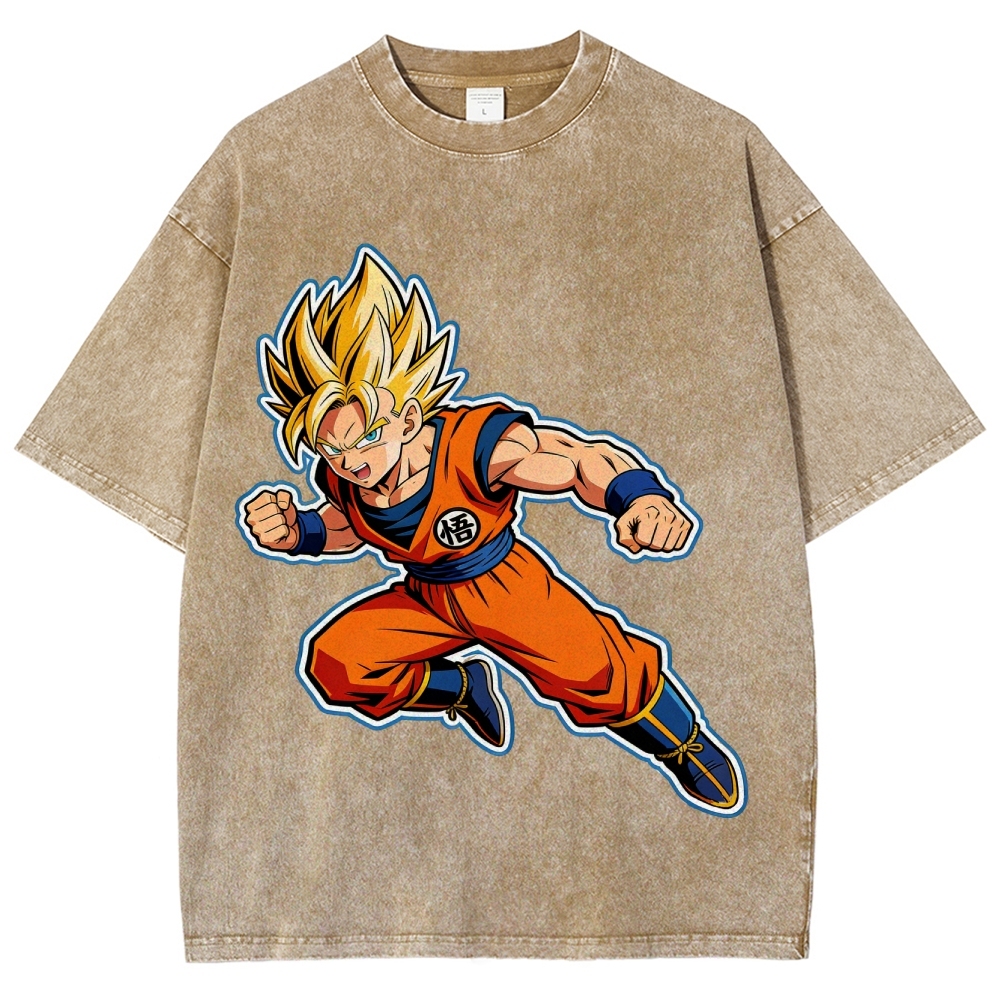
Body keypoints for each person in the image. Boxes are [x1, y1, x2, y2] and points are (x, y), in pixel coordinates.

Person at [240, 247, 744, 814]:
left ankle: (683, 744)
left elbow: (577, 459)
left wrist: (640, 498)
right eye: (331, 448)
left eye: (365, 438)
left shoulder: (476, 446)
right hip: (426, 596)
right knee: (338, 661)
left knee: (600, 671)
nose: (350, 461)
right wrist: (300, 532)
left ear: (408, 418)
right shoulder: (345, 479)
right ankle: (463, 689)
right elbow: (350, 526)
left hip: (505, 587)